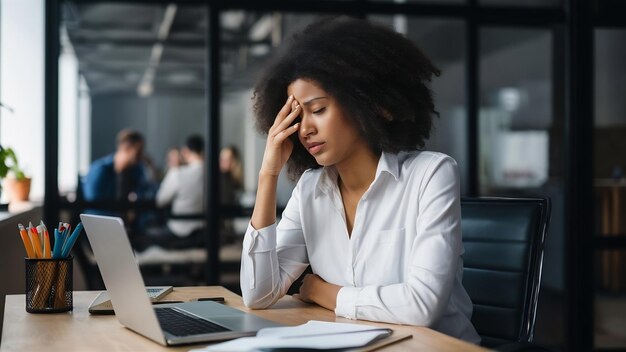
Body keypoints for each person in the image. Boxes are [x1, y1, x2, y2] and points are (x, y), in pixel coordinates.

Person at [240, 16, 480, 343]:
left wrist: (321, 290)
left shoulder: (431, 175)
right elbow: (258, 293)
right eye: (298, 115)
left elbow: (422, 306)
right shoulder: (310, 190)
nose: (305, 129)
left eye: (318, 109)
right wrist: (267, 176)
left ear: (371, 104)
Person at [143, 135, 205, 249]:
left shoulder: (177, 173)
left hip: (179, 233)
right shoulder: (217, 174)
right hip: (205, 234)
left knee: (145, 235)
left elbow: (160, 201)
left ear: (185, 151)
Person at [83, 129, 150, 202]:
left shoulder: (136, 170)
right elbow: (94, 205)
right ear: (126, 148)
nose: (141, 156)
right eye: (138, 152)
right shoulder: (100, 170)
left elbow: (145, 194)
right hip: (103, 213)